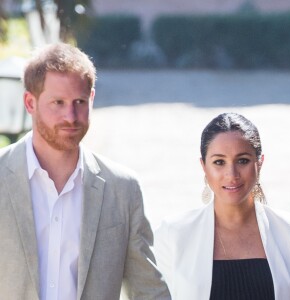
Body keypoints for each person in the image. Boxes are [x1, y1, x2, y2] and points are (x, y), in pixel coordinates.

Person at [0, 43, 170, 300]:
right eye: (58, 102)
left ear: (91, 98)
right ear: (29, 102)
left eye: (79, 101)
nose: (71, 116)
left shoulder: (122, 189)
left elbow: (149, 290)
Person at [154, 112, 290, 299]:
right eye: (219, 162)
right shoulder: (172, 234)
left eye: (242, 161)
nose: (231, 174)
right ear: (204, 166)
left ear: (259, 163)